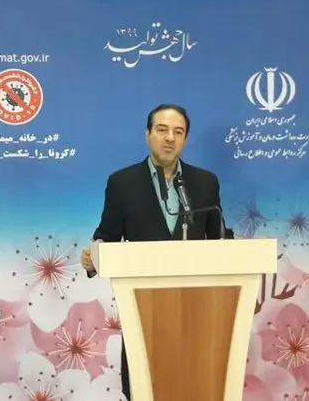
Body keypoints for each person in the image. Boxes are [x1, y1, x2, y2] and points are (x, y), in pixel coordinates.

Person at [80, 103, 230, 400]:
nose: (170, 138)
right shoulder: (123, 183)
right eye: (162, 130)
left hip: (194, 307)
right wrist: (92, 259)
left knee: (192, 385)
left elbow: (218, 238)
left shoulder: (205, 182)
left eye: (178, 132)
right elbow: (107, 236)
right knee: (143, 386)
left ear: (185, 138)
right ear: (147, 134)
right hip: (142, 305)